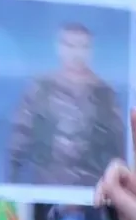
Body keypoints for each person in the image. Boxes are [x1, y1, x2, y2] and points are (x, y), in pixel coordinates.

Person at [8, 23, 124, 187]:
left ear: (91, 51)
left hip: (92, 193)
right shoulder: (40, 89)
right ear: (59, 48)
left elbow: (118, 149)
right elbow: (19, 139)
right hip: (46, 189)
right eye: (70, 45)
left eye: (83, 47)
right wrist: (12, 184)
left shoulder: (105, 94)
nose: (76, 53)